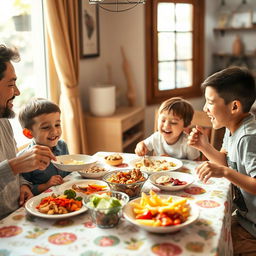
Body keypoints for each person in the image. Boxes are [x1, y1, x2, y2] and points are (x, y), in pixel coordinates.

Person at [188, 66, 256, 255]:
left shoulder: (248, 137)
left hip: (252, 231)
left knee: (207, 246)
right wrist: (204, 147)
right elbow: (224, 161)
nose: (204, 108)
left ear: (234, 107)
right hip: (244, 218)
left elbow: (228, 170)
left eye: (210, 102)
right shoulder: (232, 126)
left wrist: (224, 172)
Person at [0, 44, 56, 219]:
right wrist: (15, 166)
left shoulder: (4, 122)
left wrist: (23, 184)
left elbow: (12, 174)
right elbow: (10, 168)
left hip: (17, 214)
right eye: (11, 84)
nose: (17, 91)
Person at [19, 98, 70, 195]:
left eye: (57, 125)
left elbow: (69, 174)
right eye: (46, 127)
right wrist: (47, 185)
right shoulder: (24, 158)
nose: (54, 131)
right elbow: (25, 189)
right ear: (29, 133)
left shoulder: (63, 145)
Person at [135, 97, 200, 160]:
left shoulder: (188, 143)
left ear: (185, 125)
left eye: (174, 122)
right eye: (163, 120)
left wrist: (172, 162)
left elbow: (196, 164)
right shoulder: (156, 137)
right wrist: (140, 147)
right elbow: (143, 144)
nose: (166, 126)